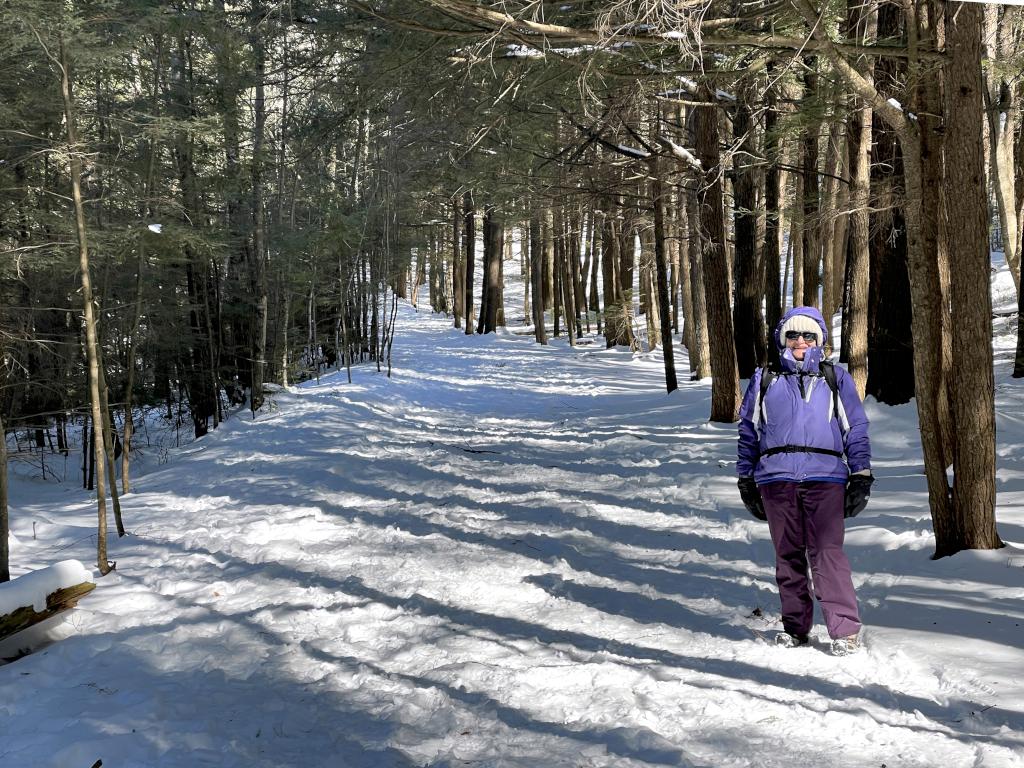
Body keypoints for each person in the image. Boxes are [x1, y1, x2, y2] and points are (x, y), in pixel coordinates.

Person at [736, 307, 874, 656]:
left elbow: (855, 427)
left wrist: (860, 474)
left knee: (827, 554)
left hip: (826, 478)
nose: (800, 342)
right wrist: (745, 478)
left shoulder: (834, 377)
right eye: (794, 335)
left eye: (808, 335)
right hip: (775, 479)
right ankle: (795, 627)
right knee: (788, 556)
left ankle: (844, 631)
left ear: (820, 340)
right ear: (783, 340)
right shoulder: (764, 378)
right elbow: (749, 431)